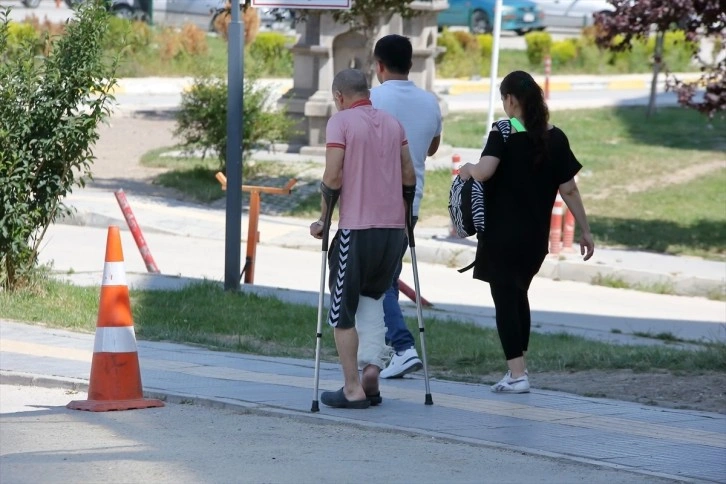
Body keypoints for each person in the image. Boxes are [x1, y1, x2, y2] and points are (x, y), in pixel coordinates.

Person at [457, 70, 595, 394]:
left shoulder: (503, 131)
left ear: (510, 100)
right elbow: (570, 190)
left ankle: (517, 375)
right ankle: (519, 367)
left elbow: (486, 171)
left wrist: (468, 170)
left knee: (505, 299)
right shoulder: (554, 136)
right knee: (518, 294)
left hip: (501, 235)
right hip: (534, 239)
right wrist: (585, 231)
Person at [309, 68, 417, 408]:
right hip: (392, 233)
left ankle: (352, 388)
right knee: (373, 301)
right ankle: (372, 370)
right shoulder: (392, 124)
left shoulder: (340, 123)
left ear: (339, 96)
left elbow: (333, 174)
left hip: (356, 231)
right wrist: (405, 217)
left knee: (343, 310)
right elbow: (409, 174)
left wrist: (323, 220)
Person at [369, 34, 443, 379]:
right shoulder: (430, 102)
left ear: (379, 65)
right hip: (411, 201)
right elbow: (431, 148)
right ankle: (389, 347)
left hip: (375, 201)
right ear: (411, 65)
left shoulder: (373, 99)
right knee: (389, 275)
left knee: (379, 279)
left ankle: (401, 346)